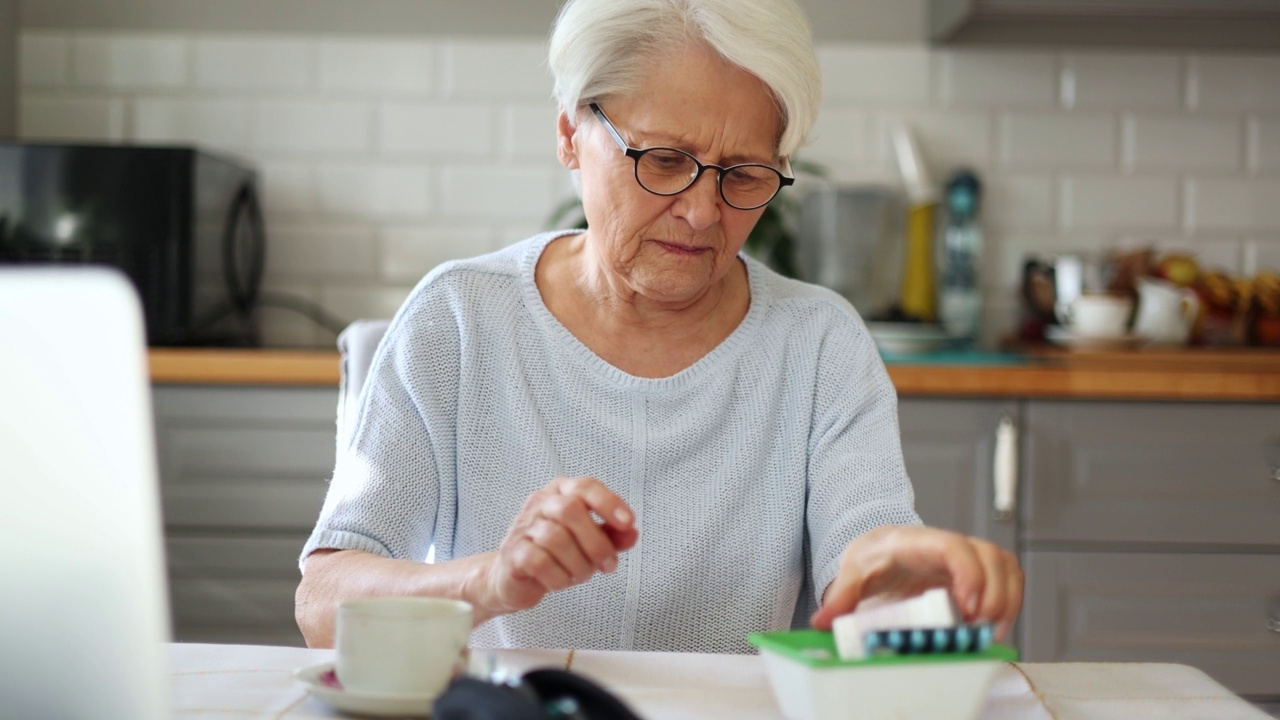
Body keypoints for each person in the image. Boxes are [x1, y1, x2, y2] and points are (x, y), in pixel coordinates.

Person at [295, 0, 1022, 654]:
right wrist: (491, 580)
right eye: (665, 160)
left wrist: (914, 590)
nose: (704, 212)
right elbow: (323, 605)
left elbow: (871, 575)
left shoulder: (819, 345)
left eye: (742, 174)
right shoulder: (458, 319)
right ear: (571, 135)